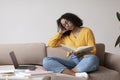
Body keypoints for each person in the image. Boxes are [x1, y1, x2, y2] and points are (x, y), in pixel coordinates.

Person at [43, 13, 99, 78]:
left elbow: (93, 50)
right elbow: (51, 44)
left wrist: (82, 53)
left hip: (85, 59)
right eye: (64, 25)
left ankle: (68, 72)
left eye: (67, 22)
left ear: (72, 19)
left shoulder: (87, 31)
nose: (67, 25)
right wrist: (60, 33)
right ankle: (75, 75)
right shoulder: (65, 36)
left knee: (93, 58)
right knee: (46, 60)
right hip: (72, 61)